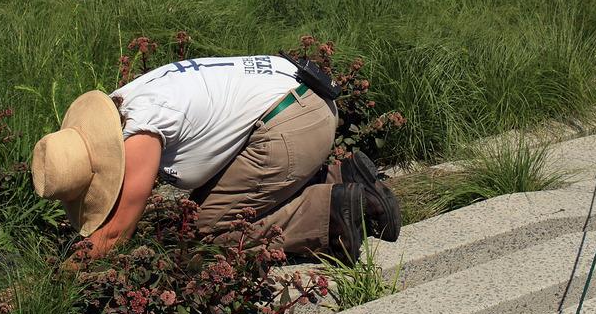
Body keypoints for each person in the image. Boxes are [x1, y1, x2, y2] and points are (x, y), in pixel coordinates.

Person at [31, 54, 401, 264]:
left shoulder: (139, 137)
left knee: (204, 232)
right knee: (210, 199)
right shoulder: (125, 102)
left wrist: (67, 274)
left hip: (293, 123)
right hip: (305, 96)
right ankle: (339, 175)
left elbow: (115, 233)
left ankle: (332, 210)